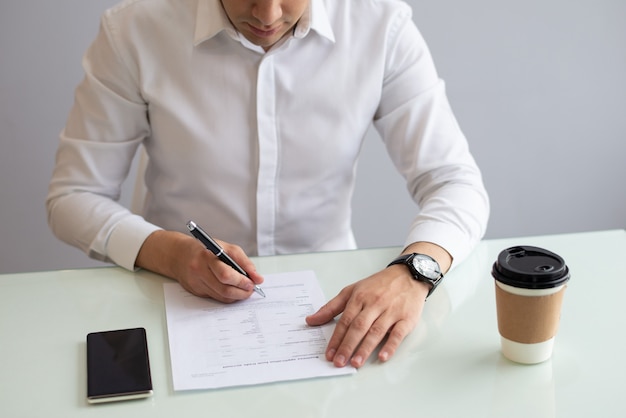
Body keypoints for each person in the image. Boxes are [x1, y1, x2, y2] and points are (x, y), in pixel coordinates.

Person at [47, 0, 489, 369]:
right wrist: (172, 253)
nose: (268, 14)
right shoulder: (135, 30)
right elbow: (73, 197)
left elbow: (455, 181)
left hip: (329, 307)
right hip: (173, 299)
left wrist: (413, 273)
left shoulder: (380, 26)